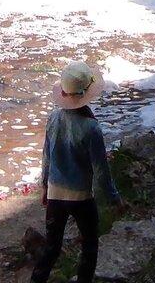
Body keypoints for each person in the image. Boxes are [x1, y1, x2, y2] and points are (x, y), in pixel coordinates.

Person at [32, 61, 123, 283]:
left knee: (51, 248)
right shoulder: (91, 128)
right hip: (81, 196)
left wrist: (44, 186)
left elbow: (47, 156)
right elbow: (100, 171)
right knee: (89, 246)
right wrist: (114, 199)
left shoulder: (54, 118)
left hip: (55, 193)